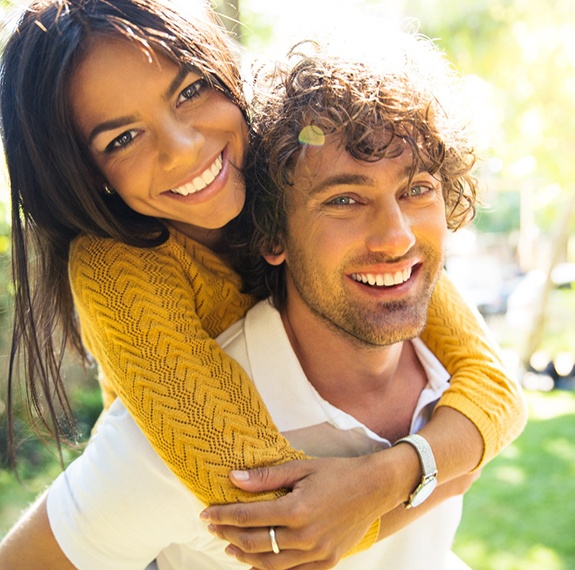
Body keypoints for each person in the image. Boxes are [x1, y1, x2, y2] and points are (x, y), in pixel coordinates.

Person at [0, 0, 525, 565]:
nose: (183, 147)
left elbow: (494, 387)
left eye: (190, 90)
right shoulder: (118, 270)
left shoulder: (293, 164)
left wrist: (394, 475)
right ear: (86, 175)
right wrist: (445, 469)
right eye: (122, 139)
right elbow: (285, 517)